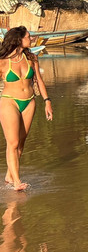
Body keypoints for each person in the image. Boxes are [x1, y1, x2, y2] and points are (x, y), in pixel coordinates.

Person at [0, 28, 51, 191]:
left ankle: (10, 175)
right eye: (28, 37)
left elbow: (39, 81)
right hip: (9, 102)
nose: (31, 39)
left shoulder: (31, 57)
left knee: (21, 143)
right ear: (18, 40)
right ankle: (16, 182)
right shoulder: (2, 61)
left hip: (29, 102)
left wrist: (47, 101)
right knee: (13, 142)